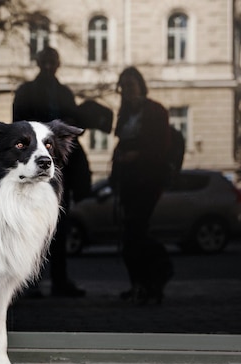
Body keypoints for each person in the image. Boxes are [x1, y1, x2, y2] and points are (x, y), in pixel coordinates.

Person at [13, 46, 91, 297]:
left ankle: (59, 279)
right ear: (38, 63)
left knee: (58, 224)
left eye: (52, 62)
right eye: (44, 61)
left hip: (60, 168)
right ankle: (30, 282)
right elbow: (18, 128)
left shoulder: (64, 93)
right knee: (32, 226)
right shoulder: (26, 91)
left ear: (57, 64)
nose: (48, 66)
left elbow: (74, 128)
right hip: (33, 167)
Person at [110, 66, 173, 305]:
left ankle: (158, 275)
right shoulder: (124, 113)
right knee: (131, 233)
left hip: (147, 179)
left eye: (131, 84)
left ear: (140, 85)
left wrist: (136, 156)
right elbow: (119, 142)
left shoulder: (155, 111)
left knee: (136, 231)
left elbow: (161, 147)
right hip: (127, 180)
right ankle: (139, 283)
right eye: (123, 86)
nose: (127, 90)